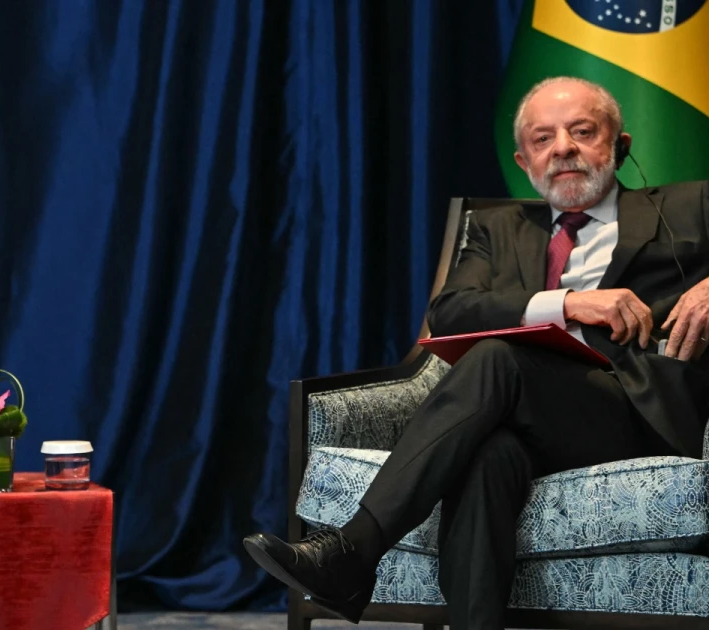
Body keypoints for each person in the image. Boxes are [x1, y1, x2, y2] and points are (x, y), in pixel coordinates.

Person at [244, 76, 709, 629]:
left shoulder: (689, 205)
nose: (563, 147)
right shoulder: (496, 228)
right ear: (524, 160)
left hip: (639, 414)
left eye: (583, 131)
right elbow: (452, 311)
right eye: (543, 138)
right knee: (488, 455)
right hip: (530, 418)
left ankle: (354, 550)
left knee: (494, 358)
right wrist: (569, 303)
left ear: (620, 144)